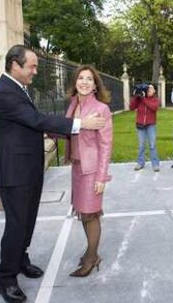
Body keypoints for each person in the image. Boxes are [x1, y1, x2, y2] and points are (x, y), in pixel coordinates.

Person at [0, 45, 106, 303]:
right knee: (17, 225)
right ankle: (5, 279)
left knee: (27, 221)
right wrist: (80, 124)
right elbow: (36, 120)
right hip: (15, 172)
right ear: (15, 65)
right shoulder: (4, 92)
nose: (35, 71)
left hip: (28, 169)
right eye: (32, 66)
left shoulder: (18, 89)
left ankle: (21, 260)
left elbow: (32, 124)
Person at [64, 65, 113, 277]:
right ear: (75, 82)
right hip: (77, 167)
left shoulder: (101, 109)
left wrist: (102, 176)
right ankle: (90, 252)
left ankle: (92, 257)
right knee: (84, 214)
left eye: (89, 79)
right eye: (80, 78)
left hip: (92, 170)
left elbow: (106, 144)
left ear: (95, 85)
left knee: (91, 215)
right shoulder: (73, 103)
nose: (84, 82)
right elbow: (68, 130)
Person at [129, 83, 160, 172]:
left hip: (151, 125)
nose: (149, 90)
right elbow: (131, 107)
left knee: (152, 145)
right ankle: (140, 163)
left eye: (151, 88)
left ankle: (155, 164)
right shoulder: (140, 98)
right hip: (140, 124)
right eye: (148, 88)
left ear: (154, 91)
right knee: (141, 145)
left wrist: (143, 99)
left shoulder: (155, 99)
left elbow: (153, 108)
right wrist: (136, 96)